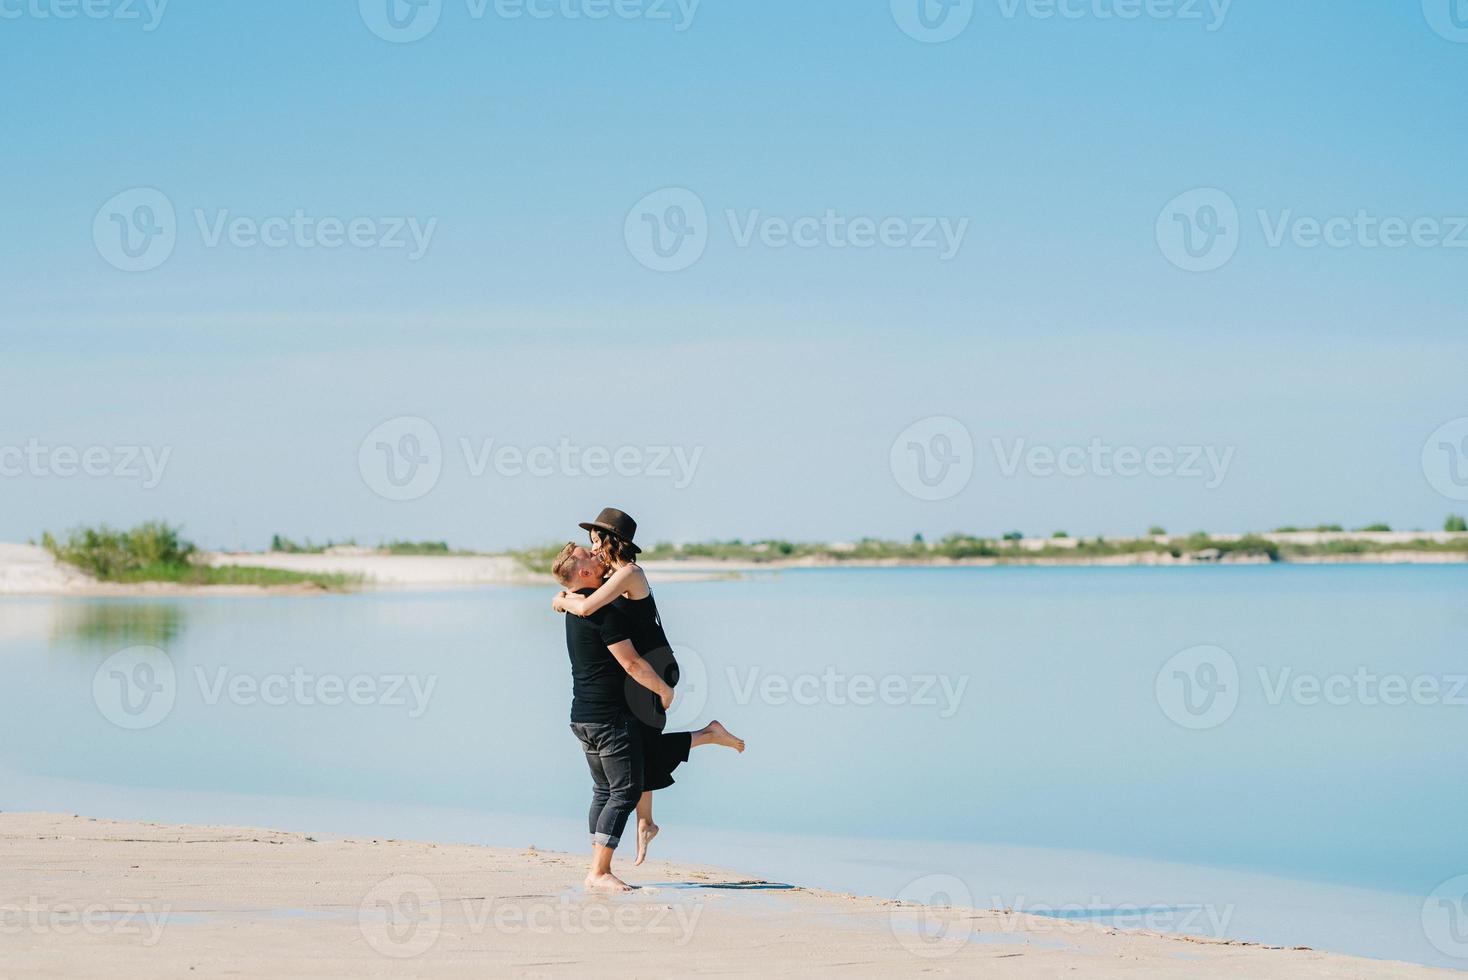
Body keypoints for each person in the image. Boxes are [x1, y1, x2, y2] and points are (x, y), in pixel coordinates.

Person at [554, 514, 745, 872]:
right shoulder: (611, 576)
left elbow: (586, 606)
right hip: (642, 667)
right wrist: (565, 591)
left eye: (597, 540)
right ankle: (648, 819)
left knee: (638, 748)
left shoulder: (629, 573)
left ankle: (704, 740)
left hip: (654, 667)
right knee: (637, 747)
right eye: (591, 542)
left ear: (612, 540)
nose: (594, 548)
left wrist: (564, 598)